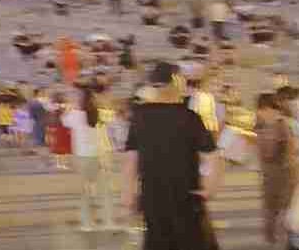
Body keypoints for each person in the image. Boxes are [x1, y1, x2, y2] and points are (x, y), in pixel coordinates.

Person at [122, 61, 223, 250]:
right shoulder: (190, 118)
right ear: (175, 82)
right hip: (186, 197)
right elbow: (213, 157)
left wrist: (128, 192)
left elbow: (131, 159)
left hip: (153, 197)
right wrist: (210, 188)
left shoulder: (139, 116)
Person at [62, 87, 116, 232]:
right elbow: (112, 117)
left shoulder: (75, 114)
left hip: (83, 157)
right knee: (105, 191)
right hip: (100, 155)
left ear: (79, 100)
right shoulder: (99, 113)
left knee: (85, 192)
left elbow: (64, 121)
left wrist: (70, 107)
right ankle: (108, 221)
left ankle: (87, 223)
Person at [254, 92, 297, 246]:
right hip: (272, 173)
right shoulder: (264, 124)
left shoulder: (280, 124)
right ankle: (273, 236)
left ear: (267, 108)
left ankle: (280, 237)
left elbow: (284, 149)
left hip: (281, 173)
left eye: (260, 109)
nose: (258, 112)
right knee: (273, 207)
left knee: (281, 207)